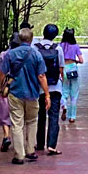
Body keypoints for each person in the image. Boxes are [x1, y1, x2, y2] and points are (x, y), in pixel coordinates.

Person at [0, 27, 49, 164]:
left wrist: (1, 87)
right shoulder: (37, 54)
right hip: (32, 93)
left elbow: (1, 72)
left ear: (20, 39)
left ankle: (19, 155)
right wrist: (47, 95)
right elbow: (41, 76)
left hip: (15, 93)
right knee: (32, 122)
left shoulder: (11, 54)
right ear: (31, 39)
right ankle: (30, 151)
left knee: (17, 124)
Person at [33, 23, 64, 155]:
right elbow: (61, 69)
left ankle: (40, 144)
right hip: (55, 88)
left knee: (40, 116)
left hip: (39, 88)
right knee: (53, 116)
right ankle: (51, 145)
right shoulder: (58, 49)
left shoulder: (35, 48)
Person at [0, 32, 20, 152]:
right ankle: (18, 138)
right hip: (20, 86)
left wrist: (1, 86)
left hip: (6, 86)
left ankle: (6, 136)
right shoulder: (24, 54)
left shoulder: (4, 55)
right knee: (17, 113)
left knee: (4, 112)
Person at [60, 27, 83, 123]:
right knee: (74, 94)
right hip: (73, 69)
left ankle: (64, 105)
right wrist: (75, 60)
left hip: (64, 69)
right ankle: (72, 116)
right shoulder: (76, 46)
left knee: (64, 91)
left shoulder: (60, 45)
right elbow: (81, 60)